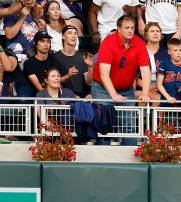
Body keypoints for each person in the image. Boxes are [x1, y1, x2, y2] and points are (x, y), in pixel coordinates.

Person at [92, 14, 151, 144]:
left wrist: (145, 94)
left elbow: (146, 72)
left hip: (126, 89)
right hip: (102, 88)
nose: (130, 30)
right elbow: (103, 74)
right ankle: (101, 159)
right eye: (127, 28)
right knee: (104, 126)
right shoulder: (108, 42)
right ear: (118, 29)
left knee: (129, 126)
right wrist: (114, 95)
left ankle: (131, 159)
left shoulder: (139, 42)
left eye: (132, 27)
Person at [54, 25, 93, 98]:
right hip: (65, 94)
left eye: (75, 33)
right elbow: (53, 82)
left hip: (83, 95)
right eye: (70, 33)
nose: (73, 36)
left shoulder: (82, 56)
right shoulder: (55, 57)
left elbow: (89, 82)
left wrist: (90, 67)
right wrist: (68, 75)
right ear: (63, 36)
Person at [137, 22, 168, 104]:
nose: (155, 33)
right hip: (142, 85)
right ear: (146, 35)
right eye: (152, 31)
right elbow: (134, 78)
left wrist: (158, 86)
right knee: (142, 99)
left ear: (161, 35)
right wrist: (148, 87)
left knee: (158, 99)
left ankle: (155, 117)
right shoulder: (139, 51)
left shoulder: (167, 52)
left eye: (157, 31)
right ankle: (143, 117)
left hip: (162, 86)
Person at [157, 38, 181, 106]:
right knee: (166, 116)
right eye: (175, 50)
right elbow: (159, 85)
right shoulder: (164, 63)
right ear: (169, 52)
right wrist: (168, 97)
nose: (178, 53)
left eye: (180, 50)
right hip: (166, 100)